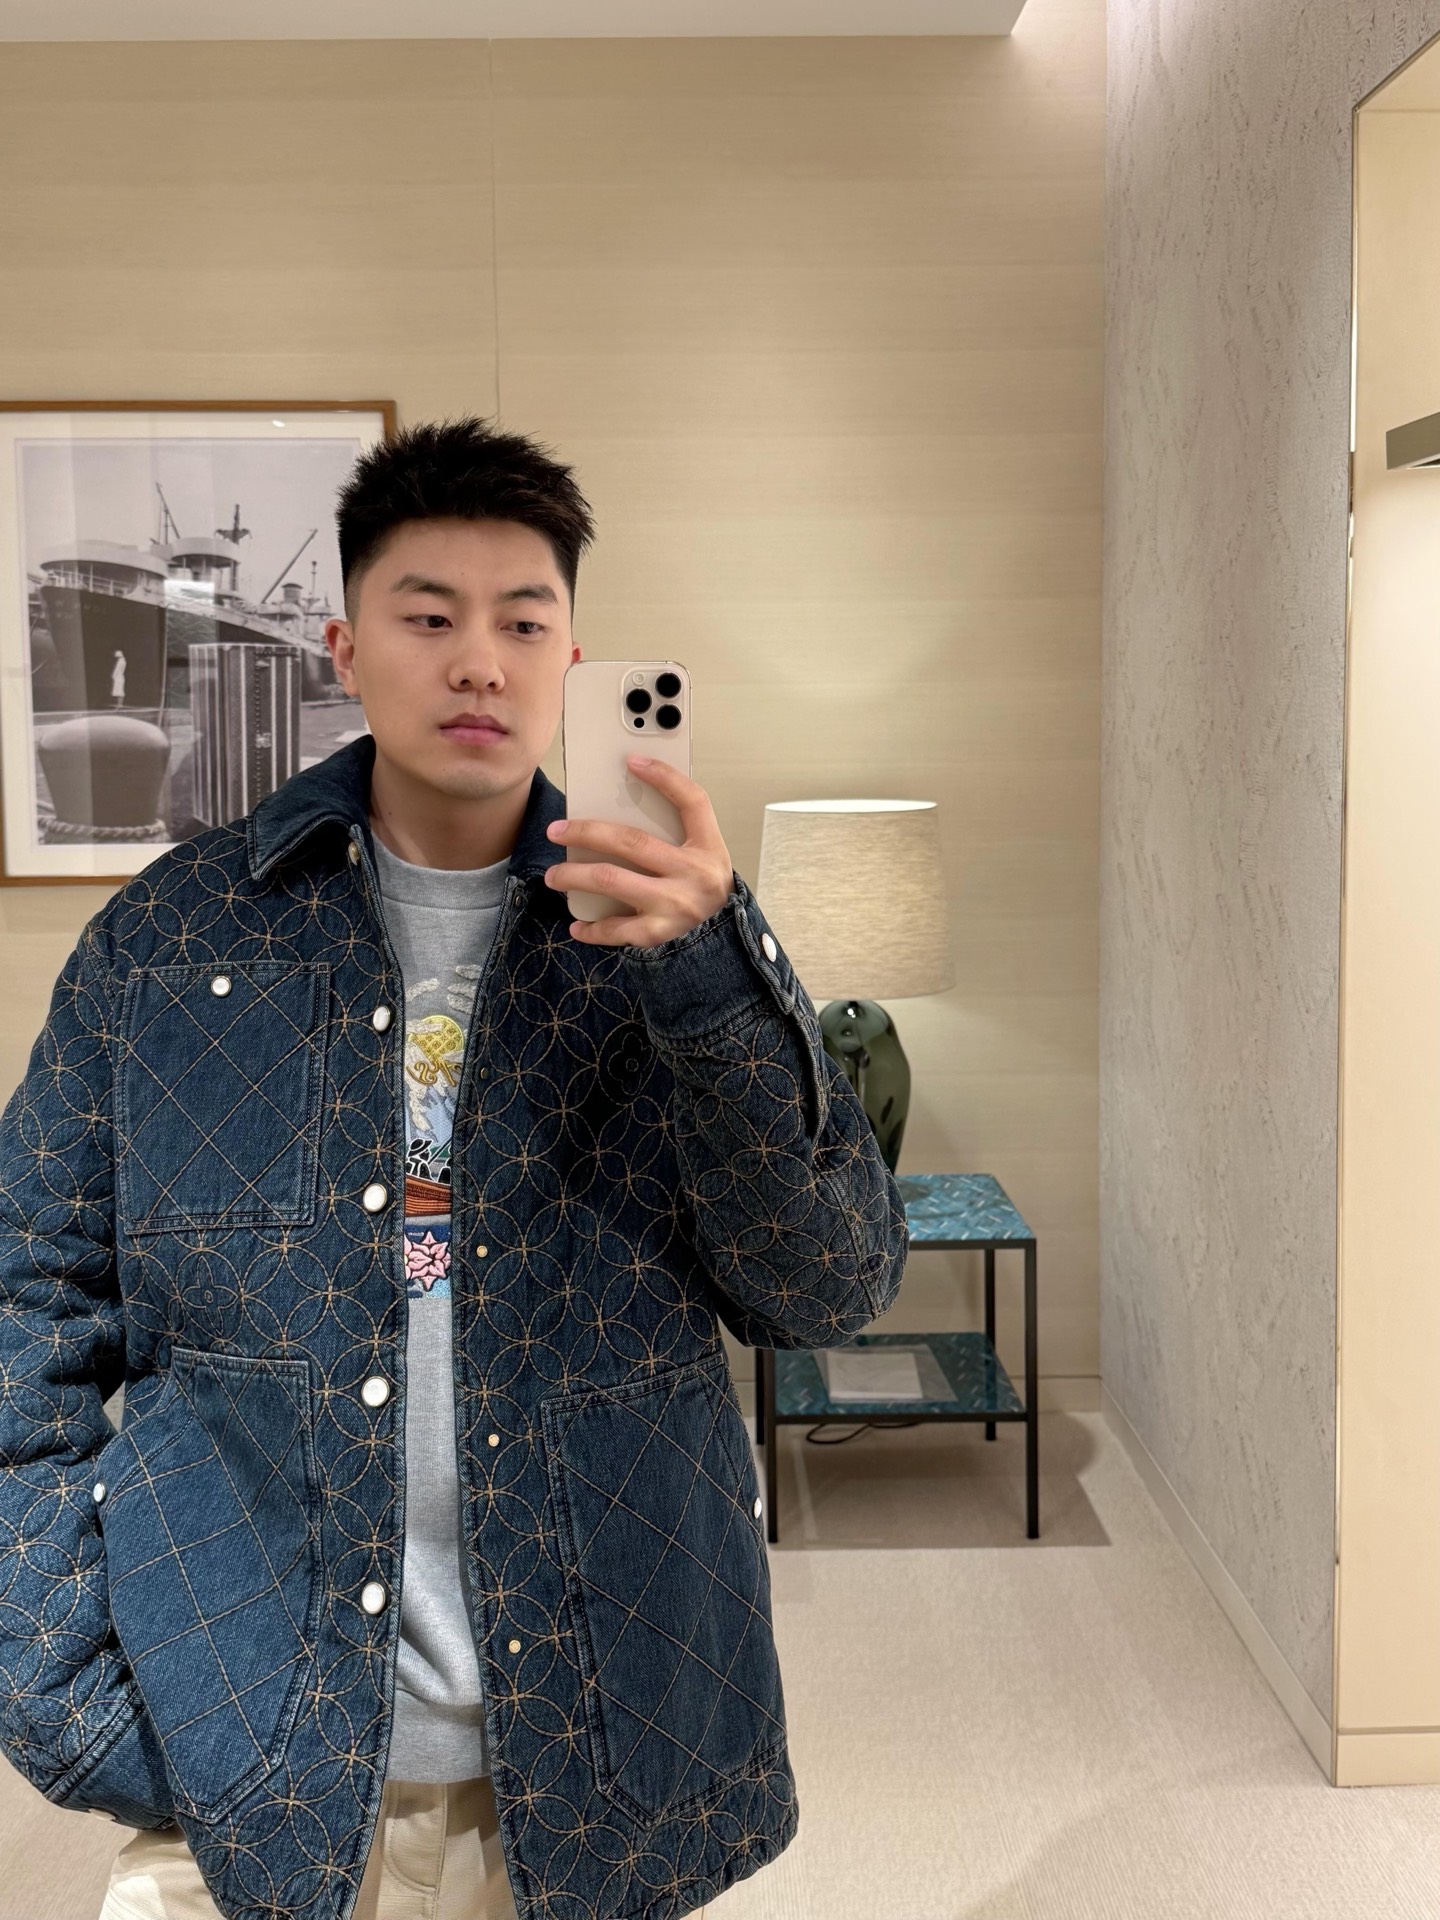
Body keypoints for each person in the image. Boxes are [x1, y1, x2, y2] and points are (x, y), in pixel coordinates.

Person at [0, 416, 910, 1920]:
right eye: (429, 618)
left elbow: (828, 1288)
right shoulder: (170, 943)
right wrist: (64, 1688)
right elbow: (25, 1301)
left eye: (523, 623)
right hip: (243, 1747)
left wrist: (713, 985)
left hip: (606, 1755)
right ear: (346, 650)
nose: (478, 663)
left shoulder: (677, 946)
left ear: (572, 661)